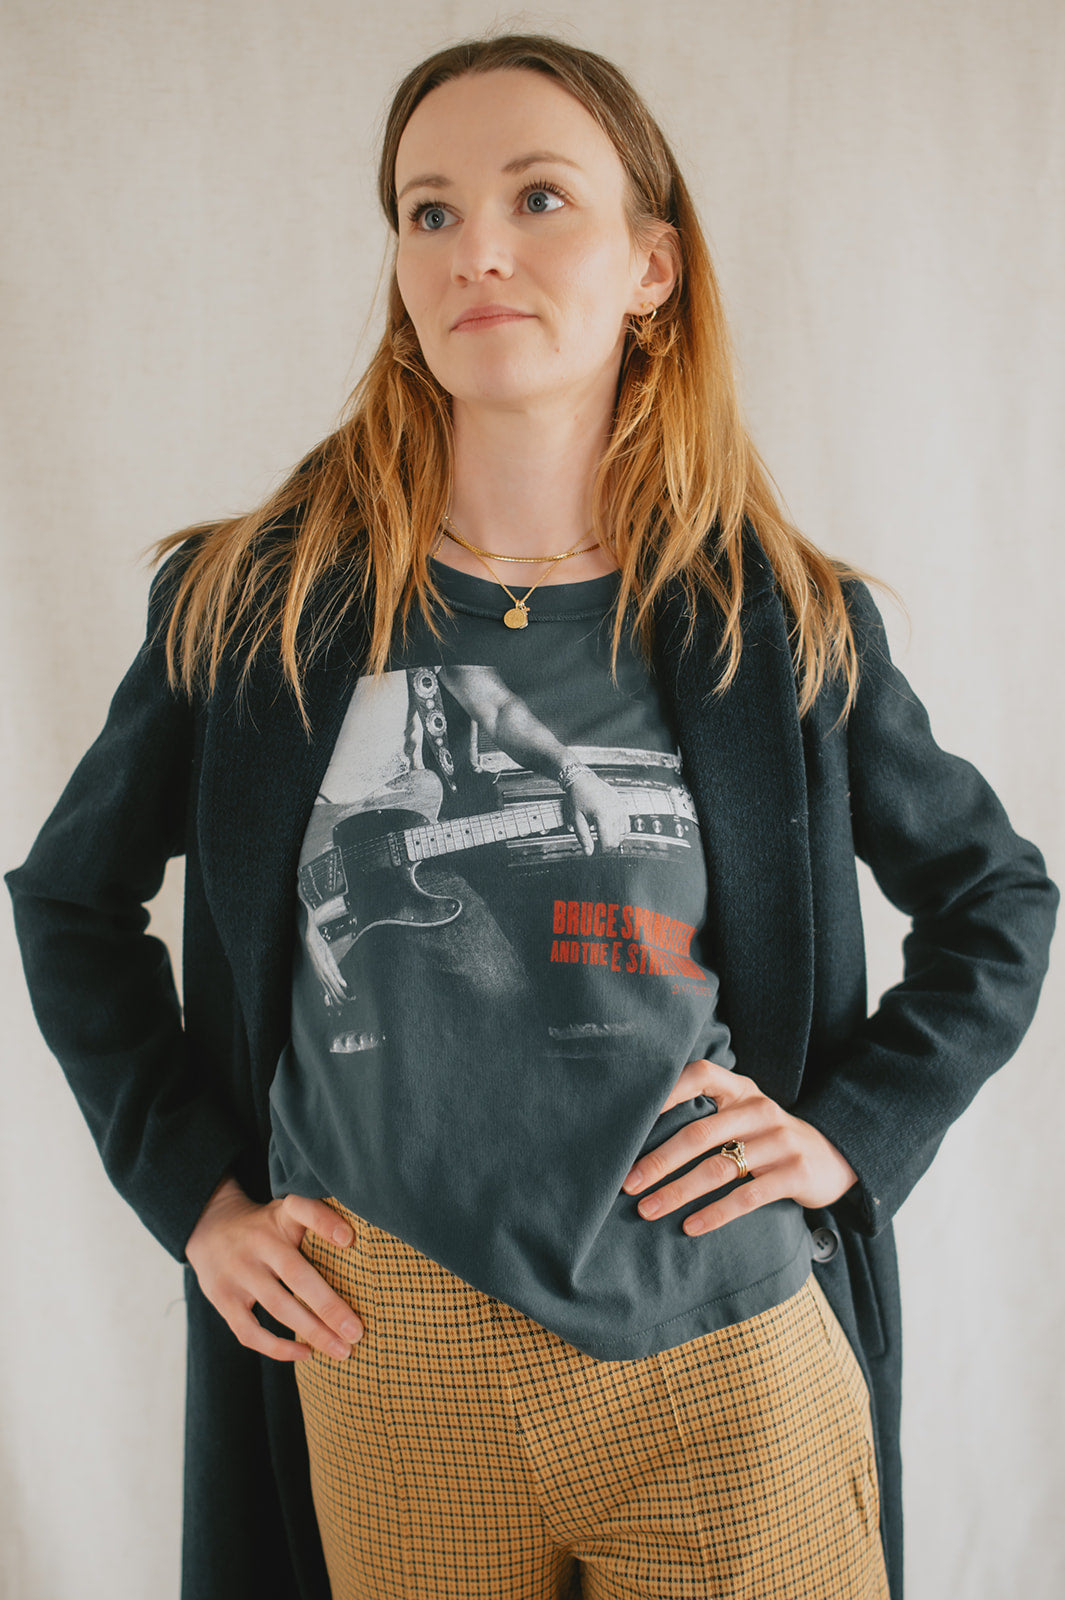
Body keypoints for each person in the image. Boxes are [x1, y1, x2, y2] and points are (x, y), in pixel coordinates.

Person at [7, 31, 1056, 1600]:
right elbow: (69, 900)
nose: (473, 250)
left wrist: (848, 1137)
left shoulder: (777, 624)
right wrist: (197, 1198)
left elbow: (995, 900)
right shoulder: (254, 606)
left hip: (718, 1351)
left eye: (538, 197)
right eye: (426, 211)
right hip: (384, 1356)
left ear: (651, 267)